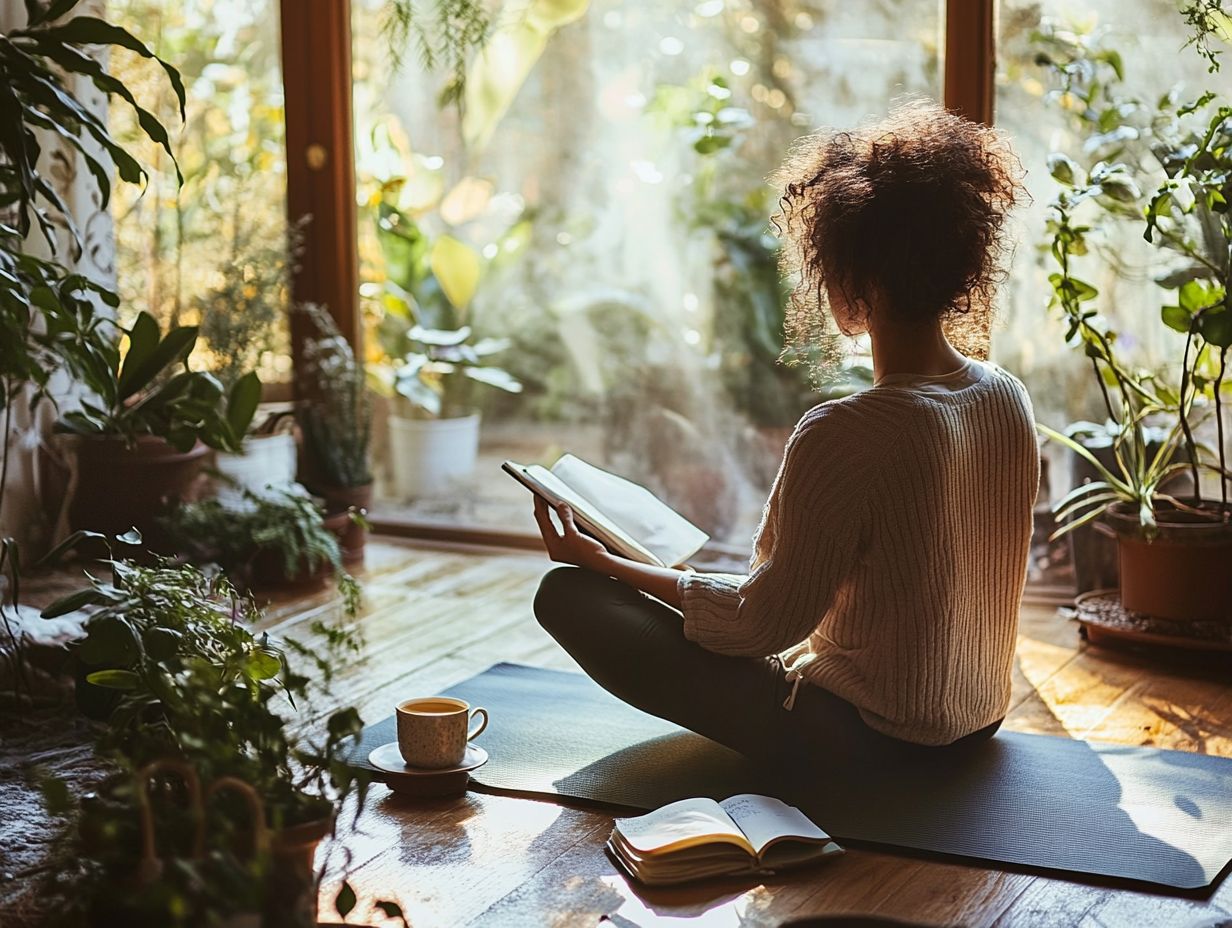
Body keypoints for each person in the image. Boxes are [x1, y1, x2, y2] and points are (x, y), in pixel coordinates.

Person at [531, 100, 1039, 768]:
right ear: (959, 267)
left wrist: (601, 562)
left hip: (871, 742)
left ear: (851, 280)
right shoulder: (1007, 397)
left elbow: (760, 626)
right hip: (979, 722)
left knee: (567, 597)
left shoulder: (848, 432)